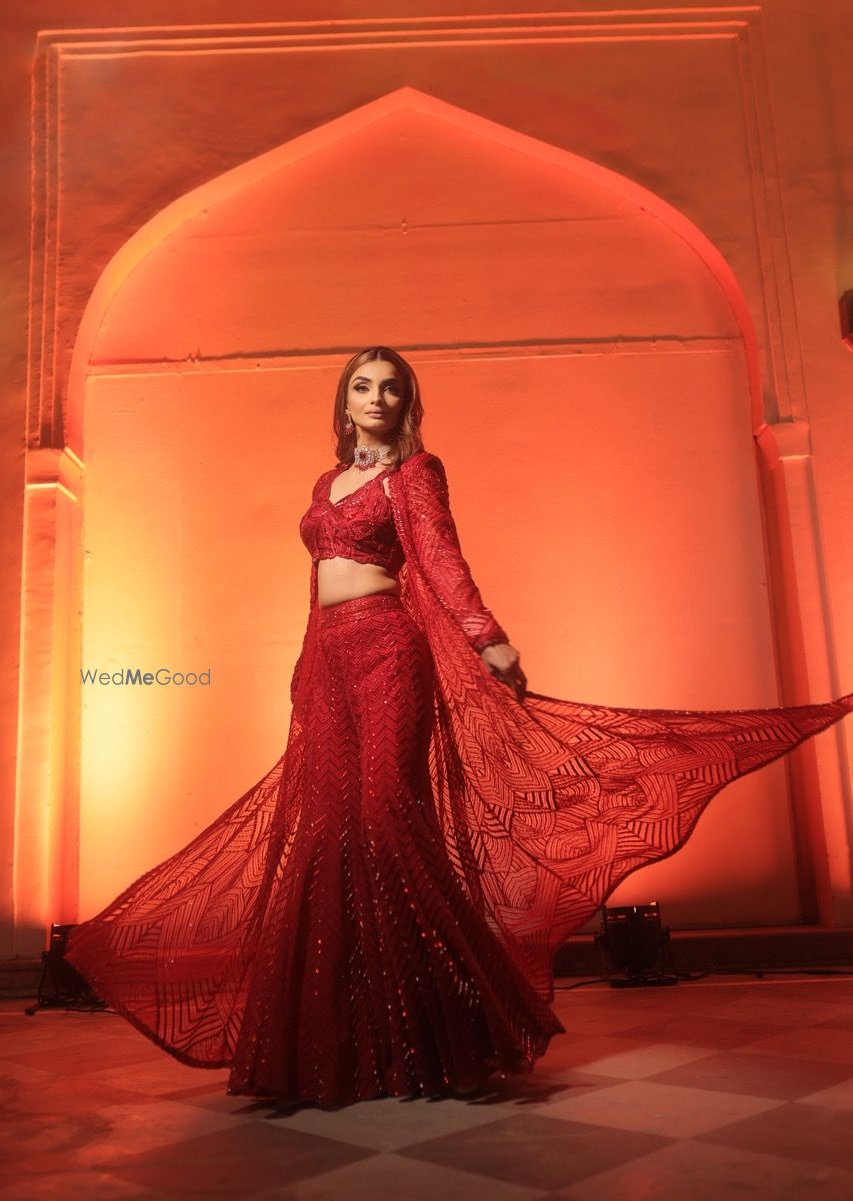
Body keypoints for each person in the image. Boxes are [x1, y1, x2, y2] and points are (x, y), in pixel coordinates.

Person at [66, 346, 853, 1110]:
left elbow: (440, 561)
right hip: (326, 664)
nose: (377, 398)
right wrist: (307, 673)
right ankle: (340, 1041)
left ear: (406, 403)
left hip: (386, 652)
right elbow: (313, 586)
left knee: (385, 826)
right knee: (328, 836)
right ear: (343, 402)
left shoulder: (415, 473)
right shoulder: (326, 480)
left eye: (392, 388)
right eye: (364, 386)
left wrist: (487, 636)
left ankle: (447, 1031)